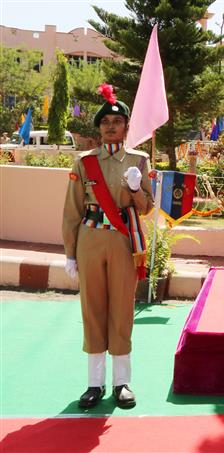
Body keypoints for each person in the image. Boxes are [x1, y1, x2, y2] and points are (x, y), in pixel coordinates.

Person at [62, 84, 154, 409]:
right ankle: (94, 384)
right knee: (93, 309)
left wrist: (136, 188)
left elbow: (146, 208)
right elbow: (72, 210)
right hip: (90, 236)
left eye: (117, 121)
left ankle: (121, 382)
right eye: (105, 123)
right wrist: (70, 253)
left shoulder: (139, 161)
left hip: (122, 240)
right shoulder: (84, 162)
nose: (111, 127)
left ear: (127, 127)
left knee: (122, 310)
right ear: (99, 128)